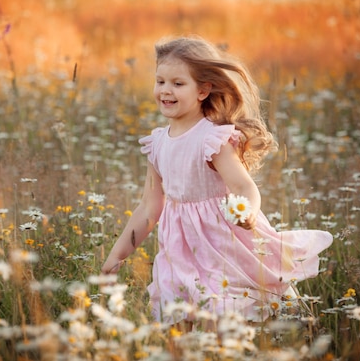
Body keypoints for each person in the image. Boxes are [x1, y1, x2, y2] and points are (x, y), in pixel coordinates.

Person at [101, 36, 333, 325]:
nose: (165, 91)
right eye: (160, 81)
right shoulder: (158, 144)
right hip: (179, 249)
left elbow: (243, 186)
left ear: (203, 90)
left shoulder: (212, 138)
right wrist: (117, 254)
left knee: (227, 312)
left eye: (177, 83)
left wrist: (246, 210)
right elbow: (149, 209)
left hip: (223, 242)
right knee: (181, 316)